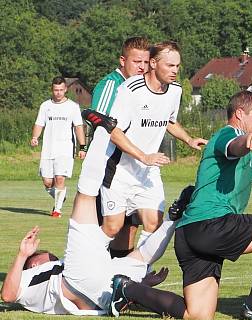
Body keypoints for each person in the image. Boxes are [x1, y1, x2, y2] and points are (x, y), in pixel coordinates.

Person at [150, 91, 252, 320]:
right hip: (212, 224)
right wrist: (248, 142)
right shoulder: (227, 134)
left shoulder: (250, 160)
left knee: (198, 314)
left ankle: (128, 290)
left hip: (190, 233)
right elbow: (234, 146)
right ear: (240, 114)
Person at [0, 180, 182, 316]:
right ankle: (101, 136)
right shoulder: (30, 278)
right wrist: (22, 255)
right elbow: (7, 295)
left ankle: (173, 219)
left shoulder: (48, 273)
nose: (52, 257)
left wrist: (143, 287)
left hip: (100, 288)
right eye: (44, 256)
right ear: (33, 265)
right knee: (84, 197)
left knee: (142, 257)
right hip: (77, 285)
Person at [91, 41, 206, 252]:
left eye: (177, 66)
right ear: (154, 63)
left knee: (154, 223)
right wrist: (143, 156)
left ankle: (137, 274)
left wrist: (188, 139)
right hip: (119, 170)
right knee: (112, 227)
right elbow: (113, 131)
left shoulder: (175, 91)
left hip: (148, 171)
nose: (175, 71)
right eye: (170, 66)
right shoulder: (130, 89)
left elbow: (169, 120)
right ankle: (80, 265)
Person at [87, 36, 150, 257]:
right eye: (137, 62)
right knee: (106, 228)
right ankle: (86, 274)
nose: (142, 67)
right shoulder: (111, 84)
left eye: (145, 62)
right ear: (123, 60)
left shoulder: (142, 88)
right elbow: (98, 122)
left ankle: (122, 280)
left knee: (130, 227)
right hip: (107, 167)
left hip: (133, 168)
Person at [31, 76, 86, 218]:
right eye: (56, 90)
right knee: (48, 182)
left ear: (66, 89)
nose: (58, 93)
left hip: (65, 150)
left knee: (60, 179)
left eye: (61, 90)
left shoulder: (73, 106)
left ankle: (57, 209)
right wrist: (35, 137)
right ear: (52, 90)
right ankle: (60, 196)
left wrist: (82, 147)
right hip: (48, 149)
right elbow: (39, 123)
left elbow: (78, 127)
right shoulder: (45, 106)